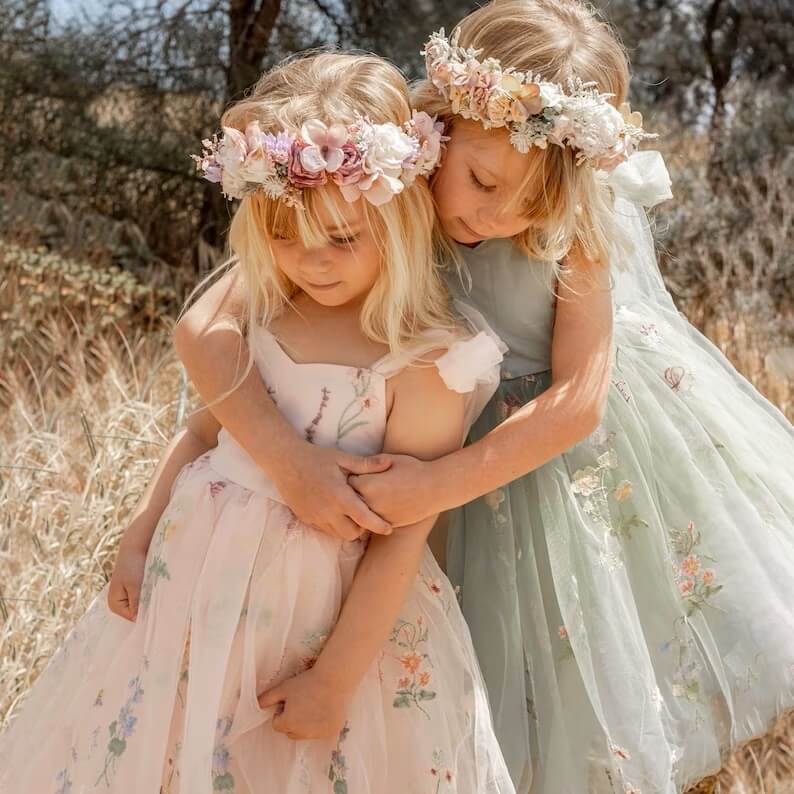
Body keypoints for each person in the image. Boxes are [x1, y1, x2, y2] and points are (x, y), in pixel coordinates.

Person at [126, 2, 794, 792]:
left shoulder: (580, 215)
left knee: (581, 694)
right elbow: (207, 327)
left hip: (528, 460)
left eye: (531, 206)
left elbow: (580, 400)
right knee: (432, 691)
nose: (497, 215)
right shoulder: (377, 154)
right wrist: (289, 460)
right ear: (439, 121)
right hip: (407, 426)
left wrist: (435, 487)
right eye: (480, 180)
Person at [0, 50, 515, 794]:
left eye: (342, 237)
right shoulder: (262, 318)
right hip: (190, 600)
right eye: (285, 238)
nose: (314, 262)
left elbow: (405, 533)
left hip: (317, 628)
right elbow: (208, 434)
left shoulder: (423, 361)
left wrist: (336, 680)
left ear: (398, 217)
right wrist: (139, 537)